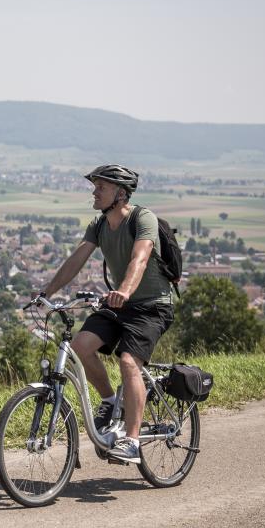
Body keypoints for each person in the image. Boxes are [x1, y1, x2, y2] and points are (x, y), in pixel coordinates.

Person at [38, 164, 174, 464]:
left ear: (121, 193)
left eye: (101, 187)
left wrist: (124, 290)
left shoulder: (143, 218)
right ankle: (112, 402)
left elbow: (140, 257)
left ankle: (133, 440)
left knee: (129, 362)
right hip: (117, 305)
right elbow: (76, 260)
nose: (94, 192)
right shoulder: (99, 225)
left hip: (152, 306)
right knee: (80, 348)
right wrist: (47, 293)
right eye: (95, 186)